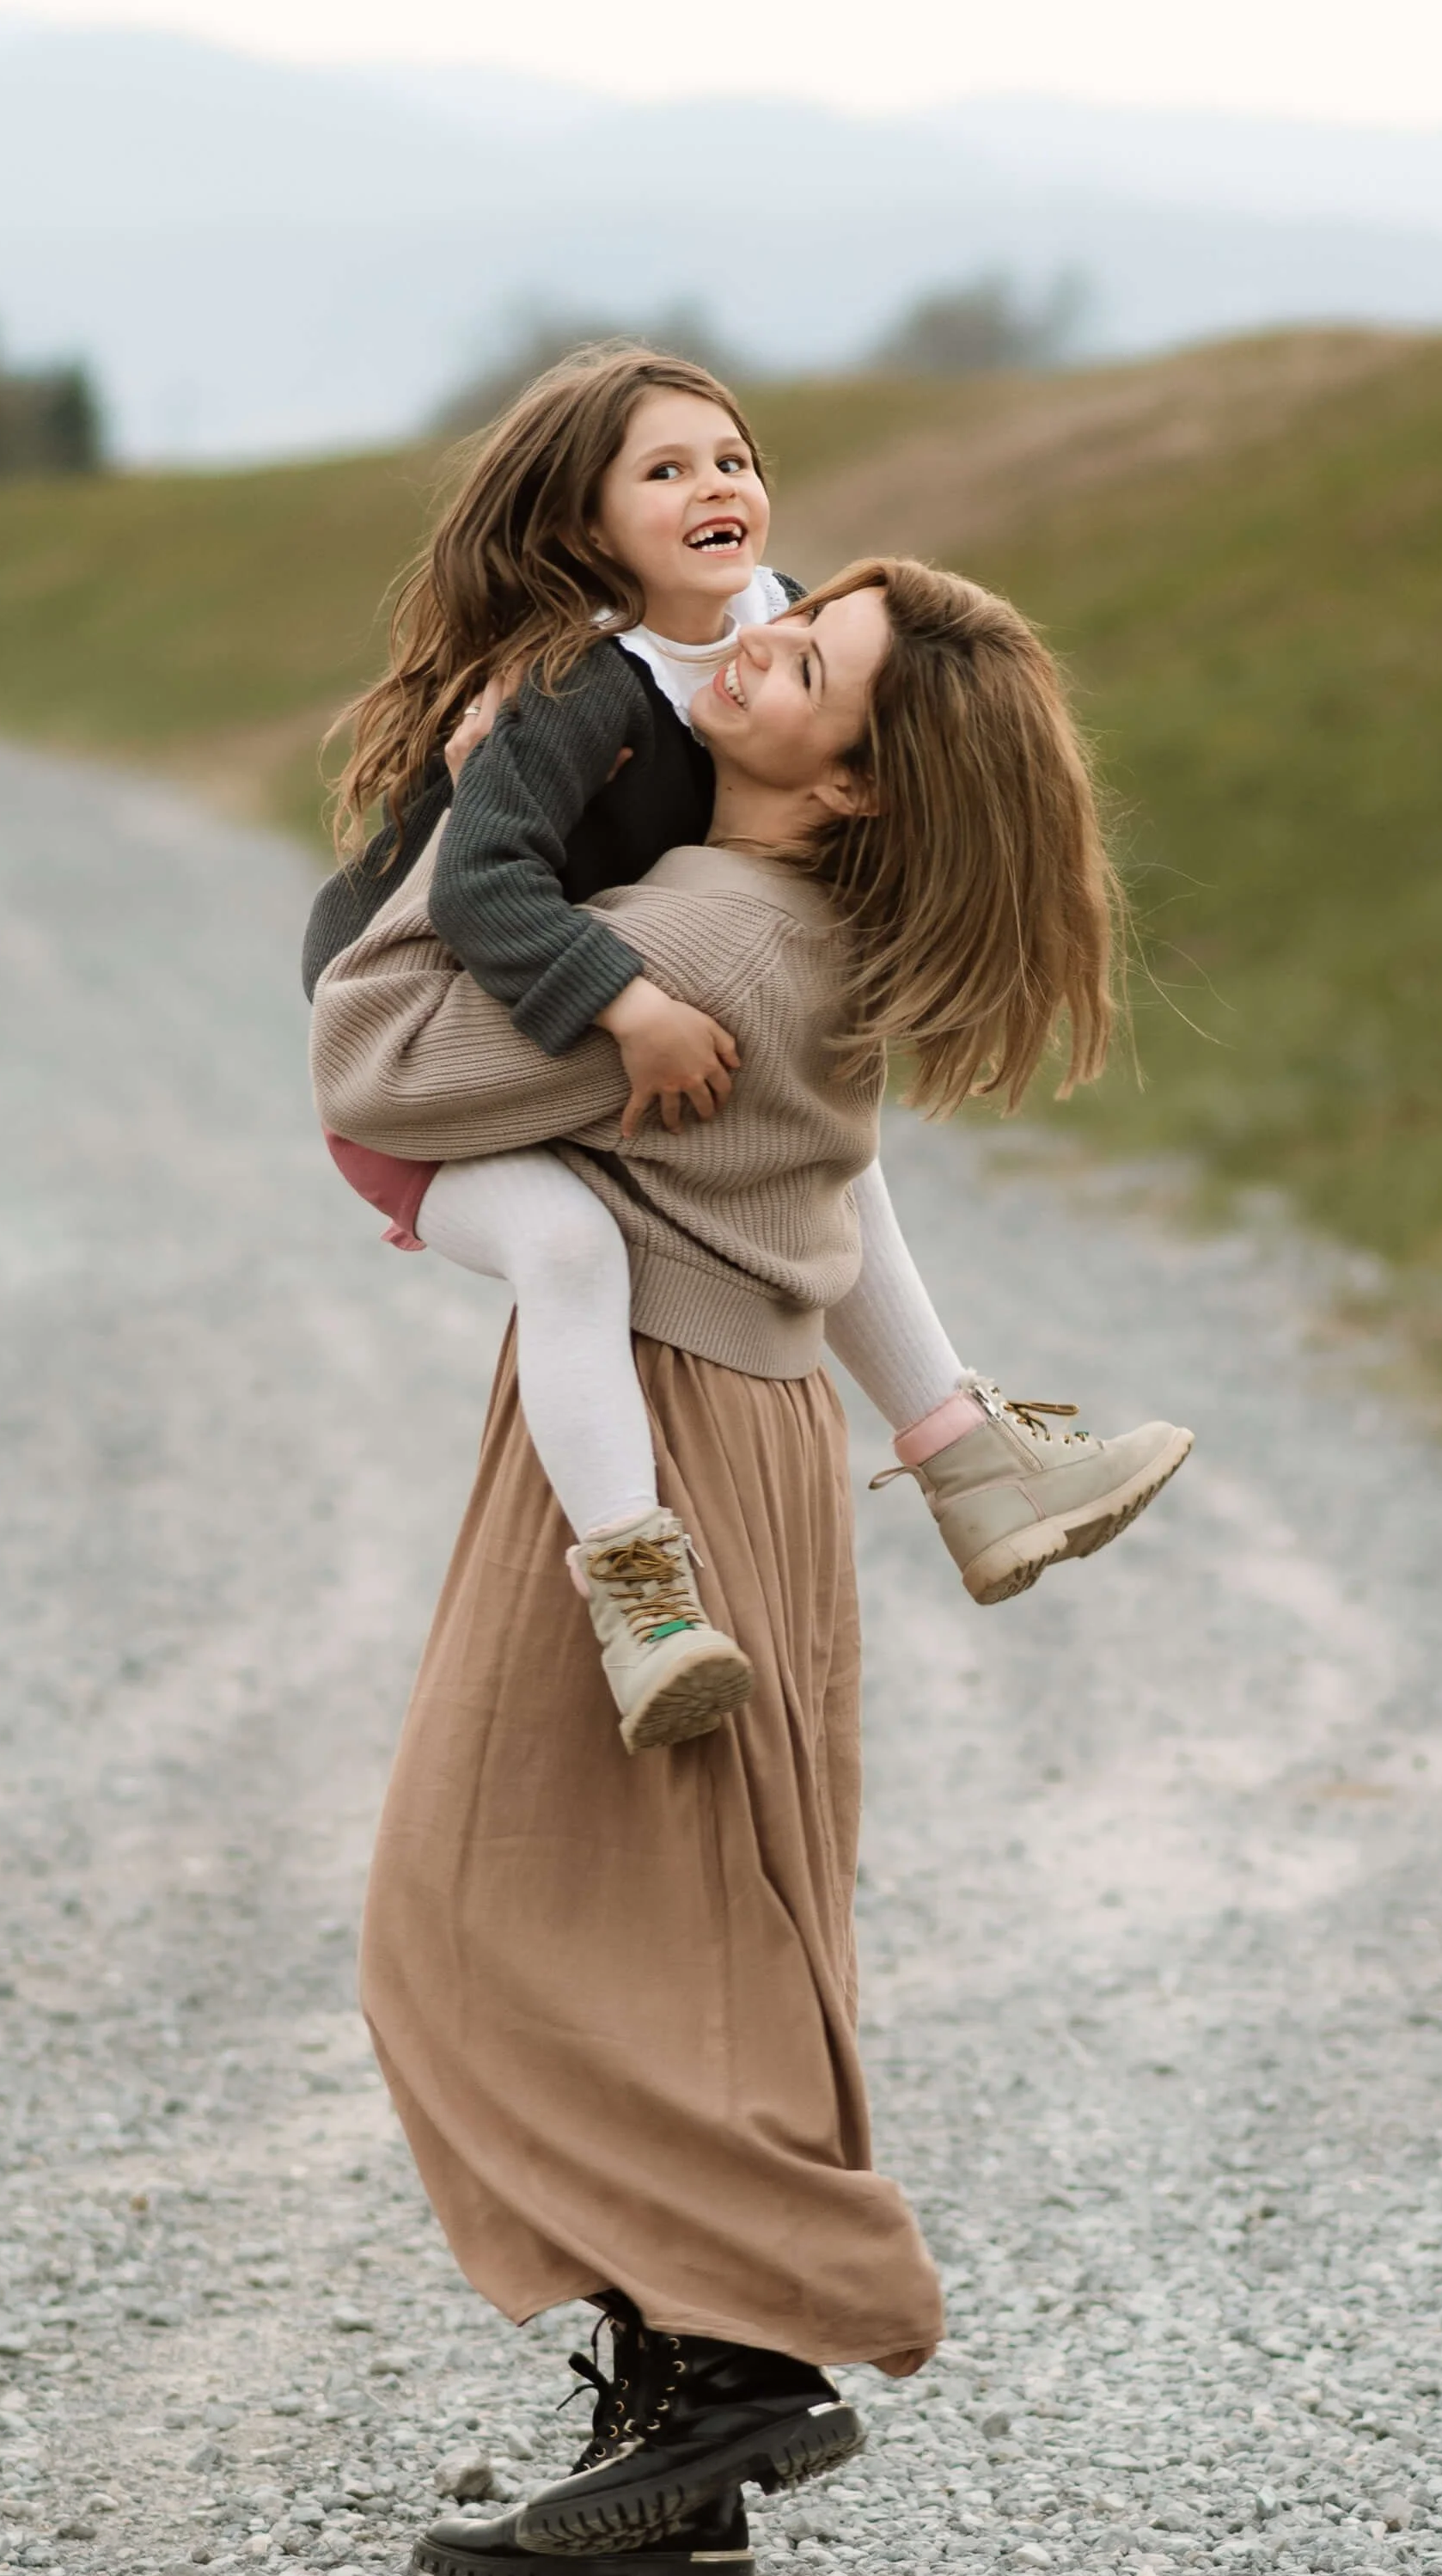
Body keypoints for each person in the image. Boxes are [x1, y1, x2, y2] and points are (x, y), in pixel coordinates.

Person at [310, 557, 1187, 2576]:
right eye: (793, 613)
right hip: (747, 1424)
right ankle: (684, 2424)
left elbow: (373, 1061)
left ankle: (748, 2353)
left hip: (664, 1432)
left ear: (851, 780)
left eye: (808, 659)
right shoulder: (795, 921)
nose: (754, 638)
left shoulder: (701, 938)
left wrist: (473, 808)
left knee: (472, 1918)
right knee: (690, 1917)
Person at [304, 348, 1190, 1755]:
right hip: (417, 1042)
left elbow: (883, 711)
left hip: (573, 978)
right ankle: (637, 1588)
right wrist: (627, 1004)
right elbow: (481, 889)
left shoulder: (778, 614)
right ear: (589, 529)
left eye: (733, 460)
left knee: (833, 1150)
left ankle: (965, 1452)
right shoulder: (576, 689)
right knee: (568, 1247)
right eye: (664, 472)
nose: (715, 487)